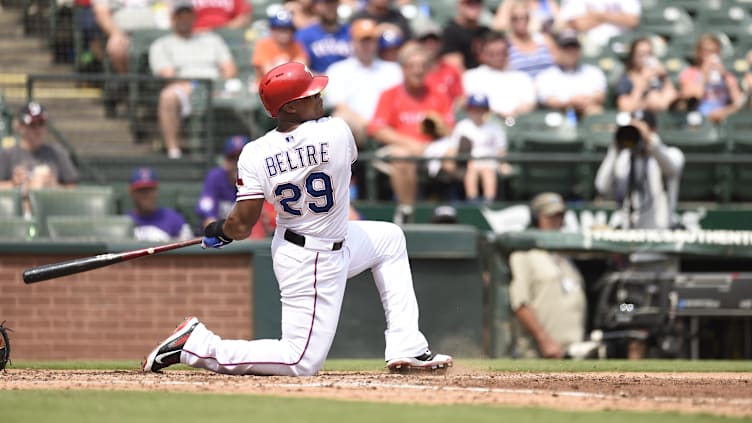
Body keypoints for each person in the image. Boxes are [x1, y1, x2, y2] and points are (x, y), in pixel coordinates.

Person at [141, 61, 453, 376]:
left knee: (389, 238)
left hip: (322, 241)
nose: (319, 95)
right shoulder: (337, 131)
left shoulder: (254, 152)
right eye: (310, 94)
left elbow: (241, 225)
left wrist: (220, 229)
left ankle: (407, 346)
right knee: (300, 361)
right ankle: (196, 345)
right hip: (311, 259)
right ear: (289, 108)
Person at [368, 42, 455, 224]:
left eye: (422, 66)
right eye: (412, 66)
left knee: (452, 154)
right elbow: (376, 128)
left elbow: (448, 127)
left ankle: (446, 205)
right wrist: (411, 145)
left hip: (432, 149)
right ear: (404, 69)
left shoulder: (438, 94)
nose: (418, 71)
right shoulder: (390, 94)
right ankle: (407, 210)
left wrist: (438, 131)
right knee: (402, 156)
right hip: (401, 149)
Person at [149, 0, 238, 159]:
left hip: (216, 86)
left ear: (194, 16)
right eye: (180, 15)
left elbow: (230, 68)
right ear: (173, 18)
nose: (184, 18)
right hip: (185, 89)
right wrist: (195, 88)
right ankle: (174, 151)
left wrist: (217, 86)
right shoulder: (161, 44)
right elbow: (168, 74)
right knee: (167, 96)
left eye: (187, 14)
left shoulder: (212, 39)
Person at [508, 192, 587, 358]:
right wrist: (544, 340)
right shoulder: (524, 254)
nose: (557, 222)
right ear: (537, 218)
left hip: (573, 352)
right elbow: (520, 304)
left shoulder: (566, 256)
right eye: (551, 216)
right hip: (538, 353)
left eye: (560, 216)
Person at [594, 111, 684, 230]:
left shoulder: (672, 154)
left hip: (660, 235)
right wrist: (615, 148)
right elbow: (602, 186)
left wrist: (650, 141)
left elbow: (671, 168)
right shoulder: (624, 158)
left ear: (654, 130)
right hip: (629, 233)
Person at [324, 18, 403, 145]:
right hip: (358, 129)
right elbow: (339, 105)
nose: (367, 45)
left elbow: (400, 102)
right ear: (352, 42)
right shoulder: (337, 70)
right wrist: (368, 125)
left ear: (377, 43)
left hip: (388, 127)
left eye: (371, 41)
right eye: (363, 41)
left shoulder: (393, 69)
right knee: (341, 117)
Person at [0, 102, 78, 216]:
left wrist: (55, 186)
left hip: (51, 213)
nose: (38, 130)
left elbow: (75, 192)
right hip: (17, 215)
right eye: (32, 125)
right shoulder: (7, 154)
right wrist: (13, 184)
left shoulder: (56, 153)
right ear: (20, 127)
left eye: (41, 124)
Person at [196, 135, 278, 239]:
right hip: (220, 244)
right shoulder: (215, 178)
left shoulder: (261, 180)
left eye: (242, 158)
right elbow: (208, 222)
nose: (238, 164)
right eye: (233, 158)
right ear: (225, 162)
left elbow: (269, 223)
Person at [462, 31, 537, 120]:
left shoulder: (522, 77)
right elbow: (469, 104)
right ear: (482, 54)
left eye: (502, 52)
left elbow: (530, 104)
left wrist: (513, 114)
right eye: (492, 54)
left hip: (518, 126)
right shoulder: (471, 77)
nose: (498, 57)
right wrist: (497, 115)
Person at [451, 94, 511, 203]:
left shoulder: (495, 128)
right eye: (474, 109)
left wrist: (503, 163)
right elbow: (455, 148)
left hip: (490, 161)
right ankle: (472, 200)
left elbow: (501, 150)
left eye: (481, 109)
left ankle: (489, 201)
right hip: (469, 161)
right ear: (468, 110)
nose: (477, 113)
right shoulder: (462, 126)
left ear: (486, 111)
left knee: (487, 171)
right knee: (472, 169)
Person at [534, 29, 606, 119]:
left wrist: (584, 101)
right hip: (559, 117)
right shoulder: (545, 76)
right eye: (566, 48)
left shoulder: (593, 72)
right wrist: (570, 103)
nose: (570, 52)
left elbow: (600, 95)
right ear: (558, 51)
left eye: (574, 47)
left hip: (587, 113)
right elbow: (549, 100)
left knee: (596, 111)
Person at [678, 33, 743, 124]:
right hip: (698, 119)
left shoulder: (726, 75)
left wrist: (725, 77)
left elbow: (739, 102)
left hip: (723, 117)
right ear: (699, 52)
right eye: (707, 51)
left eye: (714, 52)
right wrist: (704, 75)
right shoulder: (689, 73)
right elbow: (691, 98)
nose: (711, 55)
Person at [127, 167, 194, 242]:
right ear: (131, 192)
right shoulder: (124, 222)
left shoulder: (175, 220)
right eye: (141, 190)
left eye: (149, 190)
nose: (146, 195)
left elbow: (189, 250)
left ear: (156, 191)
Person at [616, 37, 677, 114]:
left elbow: (673, 98)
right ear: (632, 56)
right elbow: (625, 108)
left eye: (648, 54)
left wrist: (665, 77)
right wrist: (642, 82)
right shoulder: (626, 79)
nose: (645, 58)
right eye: (640, 54)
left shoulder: (658, 77)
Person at [252, 10, 309, 86]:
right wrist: (289, 67)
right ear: (272, 30)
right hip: (266, 89)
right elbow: (269, 74)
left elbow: (302, 68)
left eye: (287, 29)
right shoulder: (263, 44)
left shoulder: (296, 44)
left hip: (292, 87)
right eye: (280, 29)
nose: (284, 33)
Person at [295, 0, 352, 74]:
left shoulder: (350, 31)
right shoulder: (304, 35)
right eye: (326, 4)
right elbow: (302, 68)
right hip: (319, 82)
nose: (330, 8)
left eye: (333, 3)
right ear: (315, 7)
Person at [559, 0, 640, 51]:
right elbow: (577, 24)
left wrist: (599, 15)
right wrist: (615, 17)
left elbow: (632, 20)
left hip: (621, 45)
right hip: (588, 47)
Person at [504, 0, 556, 79]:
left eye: (525, 17)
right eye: (516, 18)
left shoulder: (543, 39)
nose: (521, 21)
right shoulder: (506, 44)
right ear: (510, 20)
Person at [439, 0, 490, 72]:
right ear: (459, 5)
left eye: (477, 2)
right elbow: (455, 69)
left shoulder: (486, 31)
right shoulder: (450, 32)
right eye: (469, 3)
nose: (474, 6)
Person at [492, 0, 559, 34]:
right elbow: (498, 26)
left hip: (547, 41)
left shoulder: (547, 1)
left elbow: (560, 21)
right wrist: (524, 25)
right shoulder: (510, 2)